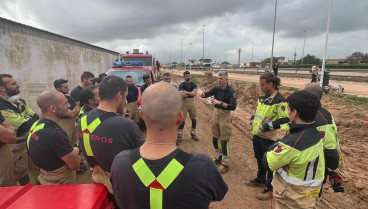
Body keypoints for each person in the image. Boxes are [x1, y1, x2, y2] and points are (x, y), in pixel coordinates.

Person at [111, 82, 228, 209]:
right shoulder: (203, 167)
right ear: (180, 118)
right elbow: (218, 195)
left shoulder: (119, 163)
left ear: (142, 116)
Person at [78, 75, 144, 197]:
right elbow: (144, 157)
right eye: (125, 97)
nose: (126, 101)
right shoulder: (127, 125)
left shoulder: (83, 119)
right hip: (121, 185)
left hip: (98, 180)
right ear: (119, 96)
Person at [263, 90, 325, 208]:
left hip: (292, 199)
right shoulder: (316, 134)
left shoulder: (292, 143)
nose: (287, 112)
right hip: (310, 196)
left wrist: (277, 144)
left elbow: (267, 162)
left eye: (288, 109)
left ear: (294, 112)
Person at [246, 73, 290, 200]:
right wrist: (253, 118)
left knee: (269, 162)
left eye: (262, 84)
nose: (260, 87)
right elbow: (259, 112)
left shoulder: (280, 100)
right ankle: (260, 179)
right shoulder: (263, 97)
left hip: (268, 137)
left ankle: (270, 187)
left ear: (271, 84)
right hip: (257, 134)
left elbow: (284, 119)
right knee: (259, 158)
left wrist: (266, 127)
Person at [27, 91, 81, 185]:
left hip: (45, 176)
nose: (69, 105)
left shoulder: (37, 124)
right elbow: (74, 165)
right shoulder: (55, 133)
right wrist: (75, 151)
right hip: (61, 181)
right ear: (53, 108)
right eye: (65, 103)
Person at [301, 83, 345, 194]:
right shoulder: (307, 113)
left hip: (312, 170)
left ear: (308, 97)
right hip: (303, 166)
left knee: (309, 198)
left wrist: (331, 170)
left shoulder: (321, 119)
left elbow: (330, 151)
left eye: (300, 93)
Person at [0, 74, 39, 185]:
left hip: (27, 142)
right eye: (13, 84)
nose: (18, 85)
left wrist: (27, 120)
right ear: (2, 88)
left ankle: (34, 192)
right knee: (19, 175)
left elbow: (36, 117)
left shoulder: (20, 101)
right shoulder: (1, 106)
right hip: (15, 148)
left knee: (33, 169)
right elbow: (24, 126)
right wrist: (27, 119)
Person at [200, 71, 237, 174]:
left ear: (226, 80)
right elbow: (208, 93)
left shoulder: (231, 91)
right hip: (216, 115)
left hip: (225, 117)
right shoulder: (216, 89)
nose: (219, 81)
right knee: (215, 139)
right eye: (218, 78)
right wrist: (203, 94)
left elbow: (233, 106)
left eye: (221, 79)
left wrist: (220, 103)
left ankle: (226, 164)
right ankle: (218, 158)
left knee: (224, 141)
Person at [177, 71, 199, 144]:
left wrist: (186, 92)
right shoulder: (181, 85)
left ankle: (193, 133)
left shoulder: (194, 84)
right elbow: (181, 95)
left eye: (189, 76)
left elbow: (195, 93)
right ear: (184, 77)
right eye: (186, 76)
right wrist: (191, 93)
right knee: (182, 120)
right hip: (184, 103)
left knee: (194, 119)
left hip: (192, 102)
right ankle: (179, 136)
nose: (188, 77)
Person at [0, 113, 17, 187]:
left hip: (4, 147)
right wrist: (6, 129)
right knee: (6, 185)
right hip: (2, 150)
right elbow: (10, 136)